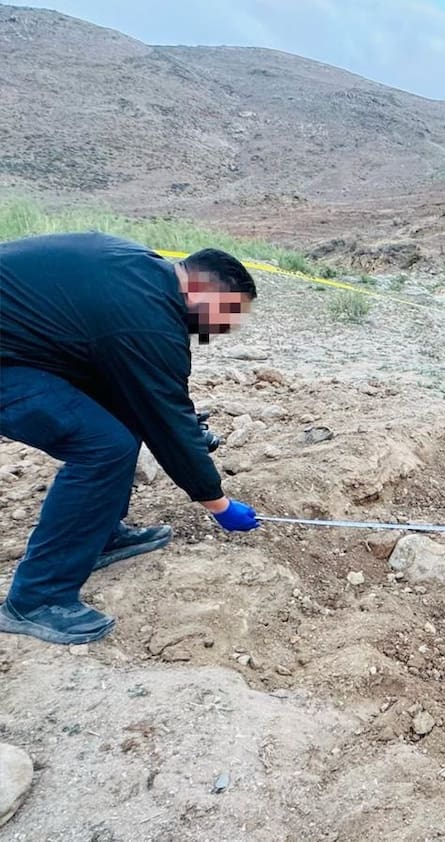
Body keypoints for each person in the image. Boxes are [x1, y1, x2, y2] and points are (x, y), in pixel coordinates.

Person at [0, 231, 262, 646]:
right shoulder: (149, 319)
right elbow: (168, 421)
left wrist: (184, 425)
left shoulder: (143, 271)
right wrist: (219, 504)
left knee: (122, 419)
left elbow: (147, 396)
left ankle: (102, 534)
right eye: (228, 312)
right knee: (102, 447)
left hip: (22, 342)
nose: (225, 326)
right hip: (8, 359)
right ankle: (35, 599)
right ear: (201, 288)